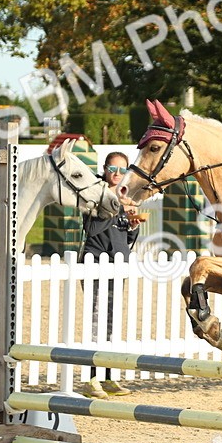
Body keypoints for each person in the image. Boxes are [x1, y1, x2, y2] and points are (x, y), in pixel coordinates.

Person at [83, 152, 142, 397]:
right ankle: (90, 379)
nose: (117, 174)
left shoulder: (126, 196)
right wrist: (115, 208)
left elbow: (126, 238)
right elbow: (92, 228)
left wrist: (133, 225)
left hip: (118, 264)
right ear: (105, 169)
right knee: (96, 323)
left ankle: (108, 377)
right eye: (113, 169)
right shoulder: (94, 195)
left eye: (122, 169)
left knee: (110, 324)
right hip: (96, 261)